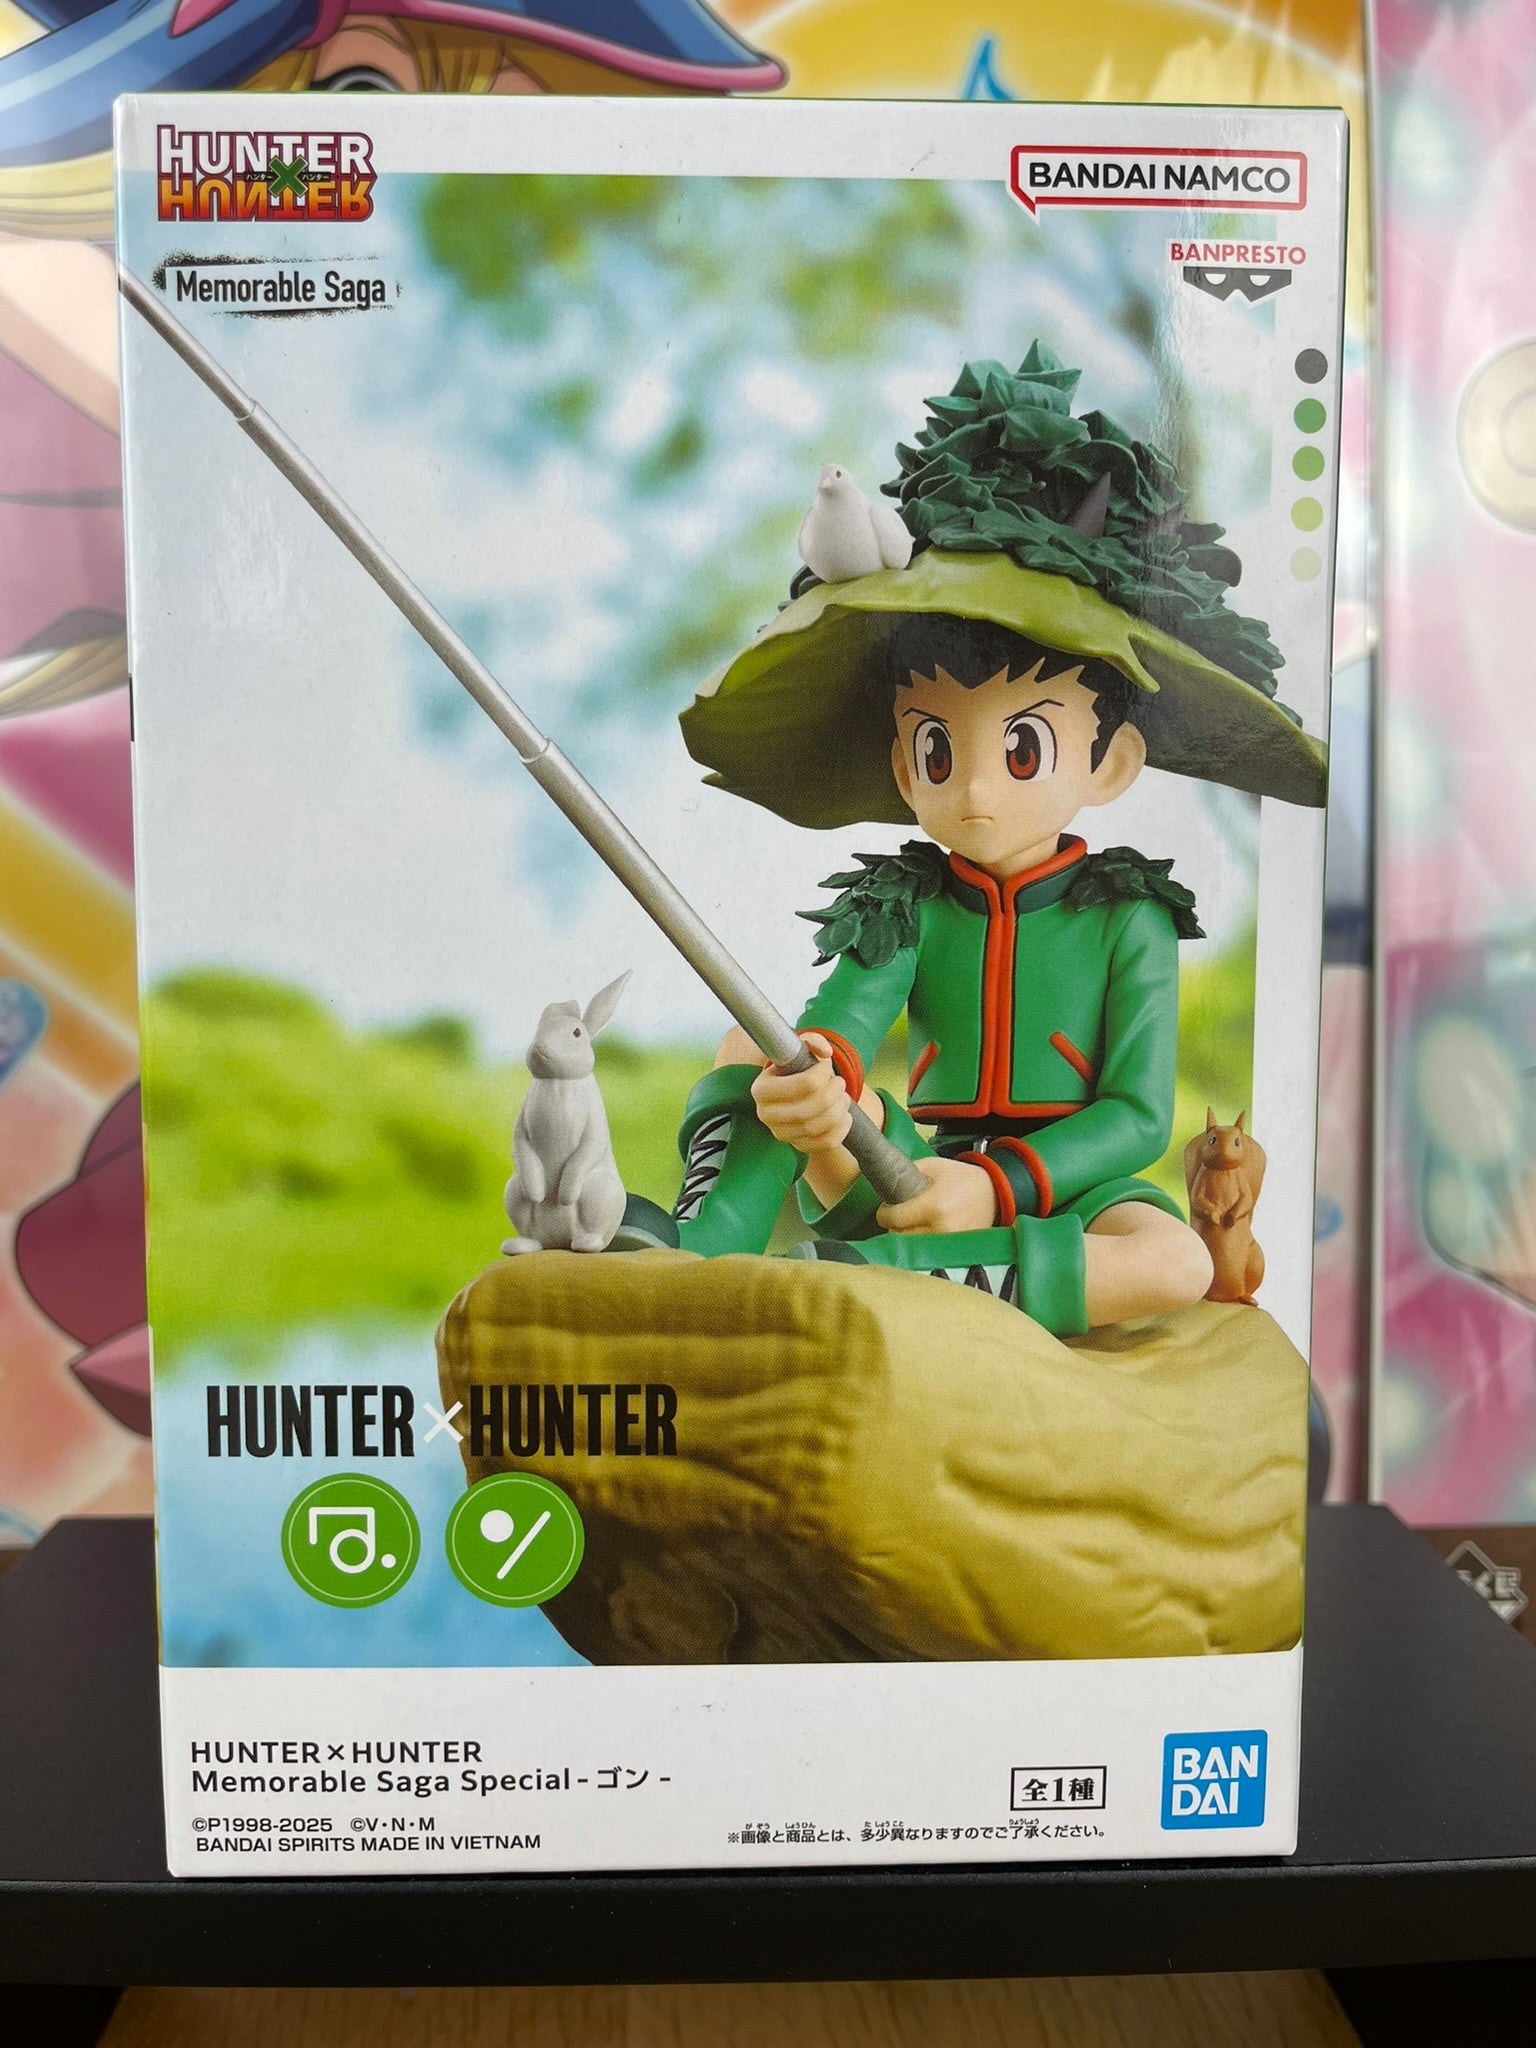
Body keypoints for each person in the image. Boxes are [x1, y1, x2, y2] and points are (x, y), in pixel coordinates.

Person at [670, 343, 1327, 1335]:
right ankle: (701, 1243)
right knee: (753, 1046)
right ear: (905, 767)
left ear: (1110, 763)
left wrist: (996, 1189)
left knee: (1176, 1259)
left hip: (1069, 1196)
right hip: (909, 1168)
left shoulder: (1128, 918)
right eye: (938, 748)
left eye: (1022, 747)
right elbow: (847, 1014)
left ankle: (916, 1280)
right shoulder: (905, 902)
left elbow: (1137, 1116)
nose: (974, 786)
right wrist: (823, 1078)